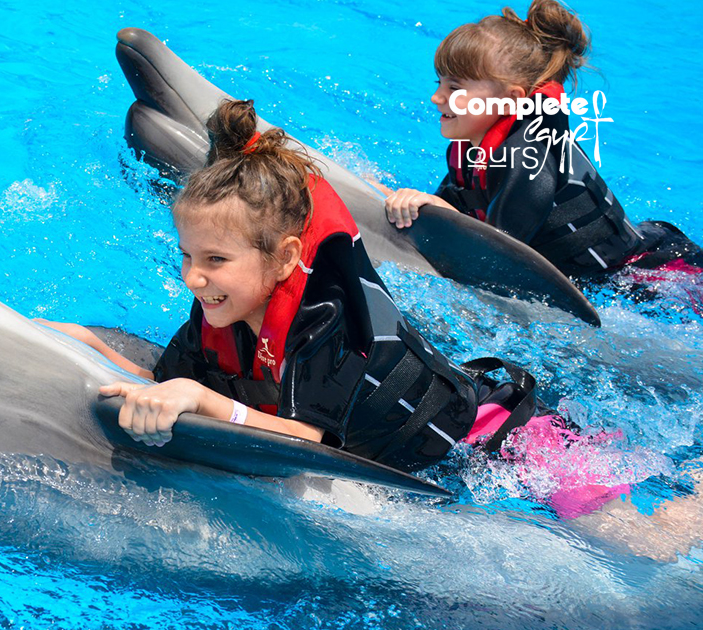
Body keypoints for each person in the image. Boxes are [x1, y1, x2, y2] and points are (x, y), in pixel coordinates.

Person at [51, 98, 526, 474]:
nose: (193, 277)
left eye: (216, 259)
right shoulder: (221, 304)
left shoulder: (326, 319)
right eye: (188, 257)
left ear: (285, 258)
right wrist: (86, 345)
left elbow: (302, 441)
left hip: (490, 447)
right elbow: (162, 382)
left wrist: (202, 401)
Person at [378, 0, 703, 280]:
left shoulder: (527, 156)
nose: (436, 97)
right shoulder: (470, 147)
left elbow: (500, 252)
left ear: (509, 100)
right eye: (439, 82)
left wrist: (435, 208)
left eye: (454, 88)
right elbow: (454, 210)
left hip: (652, 273)